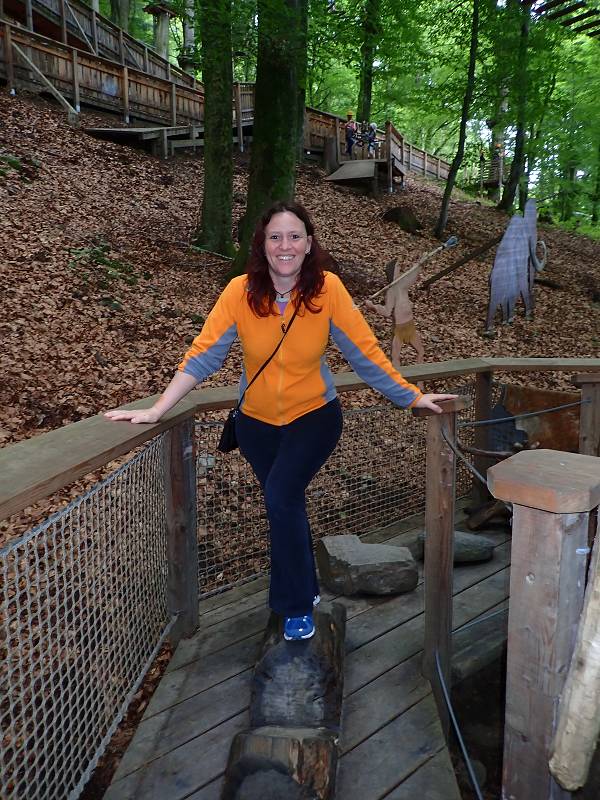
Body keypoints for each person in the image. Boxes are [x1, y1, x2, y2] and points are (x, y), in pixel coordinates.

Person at [104, 201, 455, 641]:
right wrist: (158, 409)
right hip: (256, 426)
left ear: (308, 244)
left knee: (281, 496)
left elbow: (365, 354)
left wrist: (412, 397)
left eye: (294, 236)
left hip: (314, 418)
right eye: (275, 237)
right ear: (262, 244)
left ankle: (293, 606)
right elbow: (204, 355)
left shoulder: (328, 290)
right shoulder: (239, 292)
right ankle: (306, 587)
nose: (284, 245)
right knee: (286, 504)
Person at [365, 256, 426, 370]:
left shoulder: (403, 284)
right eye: (397, 267)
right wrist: (373, 307)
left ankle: (420, 378)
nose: (400, 269)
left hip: (410, 327)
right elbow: (387, 311)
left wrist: (420, 263)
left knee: (420, 351)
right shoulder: (391, 291)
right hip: (399, 328)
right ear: (393, 272)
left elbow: (413, 276)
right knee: (395, 357)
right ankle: (397, 378)